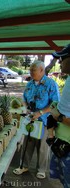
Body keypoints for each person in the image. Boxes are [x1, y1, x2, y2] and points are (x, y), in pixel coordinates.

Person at [13, 60, 60, 179]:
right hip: (30, 119)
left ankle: (42, 169)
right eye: (30, 70)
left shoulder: (51, 84)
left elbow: (55, 103)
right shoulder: (30, 84)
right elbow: (24, 98)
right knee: (27, 144)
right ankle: (24, 165)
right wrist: (26, 107)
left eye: (33, 70)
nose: (31, 72)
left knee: (43, 147)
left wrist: (41, 112)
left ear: (41, 70)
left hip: (44, 120)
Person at [49, 44, 70, 188]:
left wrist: (58, 117)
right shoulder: (69, 79)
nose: (59, 62)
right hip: (63, 143)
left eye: (62, 58)